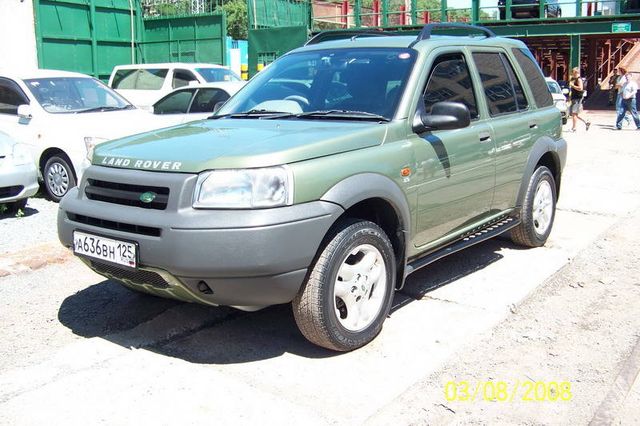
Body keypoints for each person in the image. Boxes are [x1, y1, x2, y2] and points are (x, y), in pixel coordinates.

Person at [568, 67, 591, 132]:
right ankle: (586, 121)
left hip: (577, 98)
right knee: (574, 113)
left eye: (573, 72)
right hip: (574, 97)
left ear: (576, 72)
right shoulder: (574, 79)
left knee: (574, 113)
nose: (572, 73)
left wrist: (573, 86)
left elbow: (580, 88)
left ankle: (574, 128)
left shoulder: (579, 79)